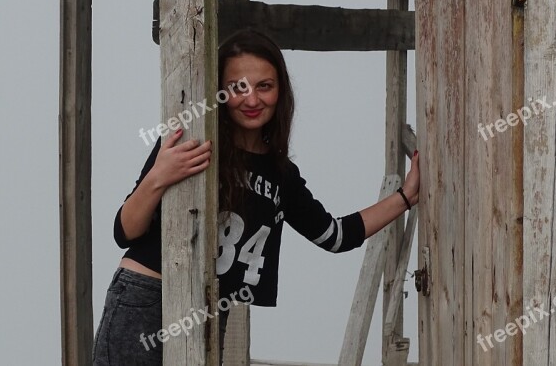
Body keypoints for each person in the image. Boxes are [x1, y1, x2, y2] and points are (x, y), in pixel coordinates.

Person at [92, 28, 420, 366]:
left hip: (207, 313)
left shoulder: (281, 176)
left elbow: (335, 235)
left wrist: (407, 195)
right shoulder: (191, 142)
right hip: (146, 300)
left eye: (265, 86)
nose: (252, 100)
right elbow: (125, 231)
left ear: (280, 92)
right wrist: (157, 177)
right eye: (237, 88)